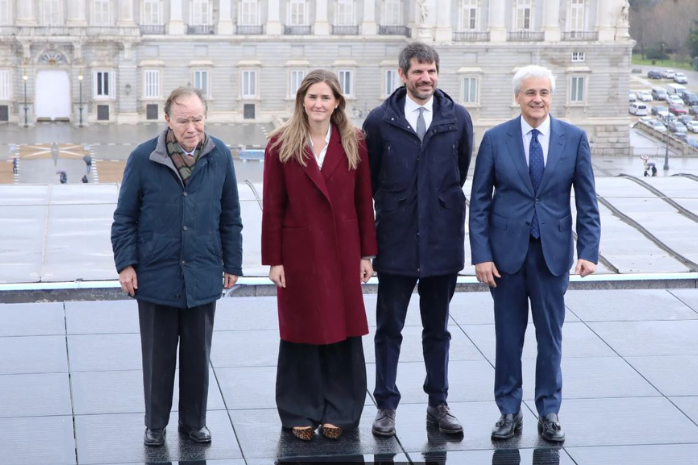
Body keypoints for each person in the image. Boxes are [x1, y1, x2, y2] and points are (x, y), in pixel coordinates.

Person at [469, 65, 601, 443]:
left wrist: (589, 250)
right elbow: (478, 203)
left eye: (543, 92)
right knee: (508, 337)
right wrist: (481, 255)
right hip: (505, 258)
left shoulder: (573, 139)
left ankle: (549, 411)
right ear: (517, 97)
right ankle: (509, 411)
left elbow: (587, 201)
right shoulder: (495, 139)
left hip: (553, 255)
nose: (537, 99)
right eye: (530, 93)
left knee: (550, 337)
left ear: (551, 97)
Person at [111, 87, 243, 447]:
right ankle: (155, 424)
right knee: (158, 356)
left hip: (202, 272)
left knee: (198, 357)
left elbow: (230, 215)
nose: (191, 127)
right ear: (167, 120)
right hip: (156, 274)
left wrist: (233, 262)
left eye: (197, 119)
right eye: (183, 120)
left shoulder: (220, 157)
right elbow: (124, 218)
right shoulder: (142, 158)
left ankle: (193, 423)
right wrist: (126, 265)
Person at [362, 42, 473, 437]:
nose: (425, 78)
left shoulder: (457, 117)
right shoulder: (379, 121)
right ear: (402, 75)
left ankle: (438, 404)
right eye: (418, 72)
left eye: (431, 71)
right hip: (395, 243)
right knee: (389, 329)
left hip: (442, 244)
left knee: (437, 330)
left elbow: (458, 174)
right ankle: (386, 406)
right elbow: (368, 182)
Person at [261, 70, 377, 441]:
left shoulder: (354, 142)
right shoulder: (281, 143)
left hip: (343, 250)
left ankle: (340, 410)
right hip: (299, 252)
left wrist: (367, 255)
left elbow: (363, 202)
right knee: (300, 333)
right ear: (302, 100)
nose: (318, 104)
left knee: (342, 333)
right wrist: (274, 260)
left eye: (325, 98)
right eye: (312, 97)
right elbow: (273, 207)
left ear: (337, 102)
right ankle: (299, 409)